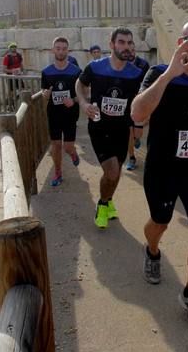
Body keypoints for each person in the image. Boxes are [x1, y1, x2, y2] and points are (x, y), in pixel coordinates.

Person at [130, 19, 188, 332]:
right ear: (180, 41)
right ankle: (152, 251)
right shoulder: (159, 73)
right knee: (159, 223)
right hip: (162, 166)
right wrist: (171, 74)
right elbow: (138, 113)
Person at [76, 28, 143, 229]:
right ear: (112, 44)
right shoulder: (95, 67)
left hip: (122, 129)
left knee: (117, 171)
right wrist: (83, 104)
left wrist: (138, 123)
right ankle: (103, 204)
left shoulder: (137, 73)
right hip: (99, 126)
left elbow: (140, 101)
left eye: (129, 43)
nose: (126, 46)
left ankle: (109, 199)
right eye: (121, 42)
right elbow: (79, 84)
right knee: (112, 171)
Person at [41, 37, 81, 186]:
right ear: (53, 50)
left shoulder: (76, 71)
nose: (61, 51)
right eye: (58, 48)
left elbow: (83, 94)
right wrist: (45, 95)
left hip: (70, 115)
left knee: (68, 147)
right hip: (54, 114)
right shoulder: (46, 72)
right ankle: (58, 173)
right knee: (56, 145)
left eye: (64, 48)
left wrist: (73, 100)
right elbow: (44, 90)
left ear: (68, 51)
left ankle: (73, 152)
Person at [125, 53, 150, 171]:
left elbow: (148, 83)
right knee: (129, 131)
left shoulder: (143, 65)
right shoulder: (121, 64)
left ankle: (137, 138)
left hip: (140, 102)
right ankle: (131, 158)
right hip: (126, 103)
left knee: (137, 133)